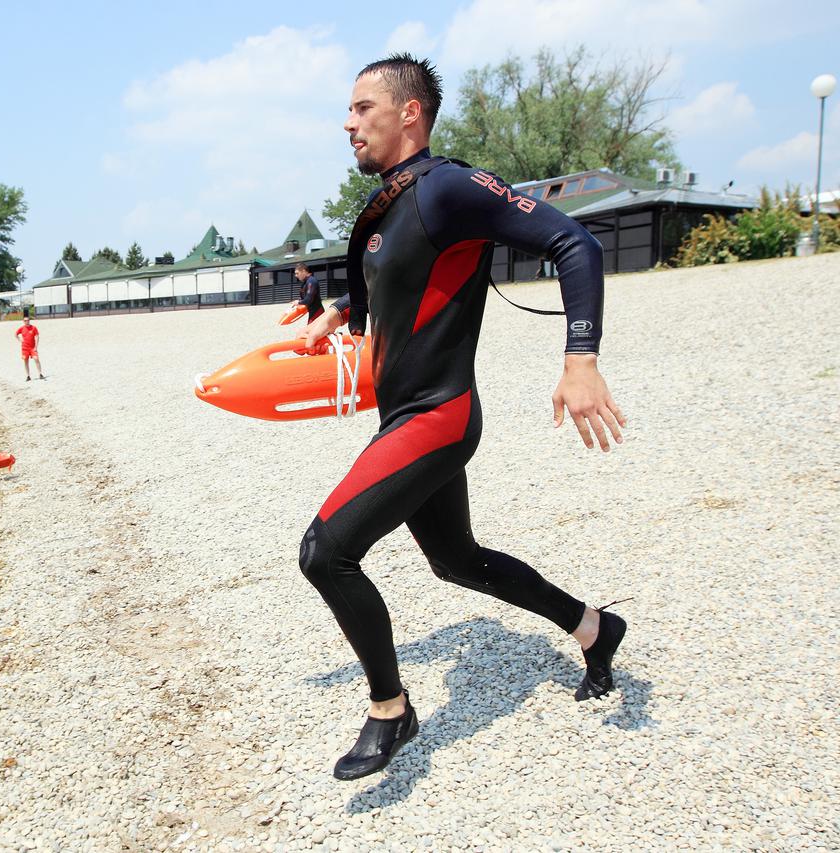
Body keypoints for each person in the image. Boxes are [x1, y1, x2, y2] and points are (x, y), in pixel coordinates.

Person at [296, 54, 629, 781]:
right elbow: (407, 283)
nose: (347, 122)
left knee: (325, 552)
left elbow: (574, 242)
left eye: (361, 107)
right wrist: (338, 316)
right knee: (456, 560)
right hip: (404, 417)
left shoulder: (448, 186)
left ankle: (391, 707)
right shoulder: (395, 201)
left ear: (408, 112)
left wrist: (581, 359)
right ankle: (595, 628)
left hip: (437, 416)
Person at [15, 316, 44, 381]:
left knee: (36, 359)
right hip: (25, 348)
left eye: (27, 320)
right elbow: (16, 334)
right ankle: (28, 376)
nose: (26, 322)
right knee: (25, 361)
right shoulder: (21, 328)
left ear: (29, 321)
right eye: (25, 321)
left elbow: (37, 336)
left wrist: (36, 347)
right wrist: (20, 340)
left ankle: (40, 374)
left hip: (32, 347)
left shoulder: (33, 328)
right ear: (23, 321)